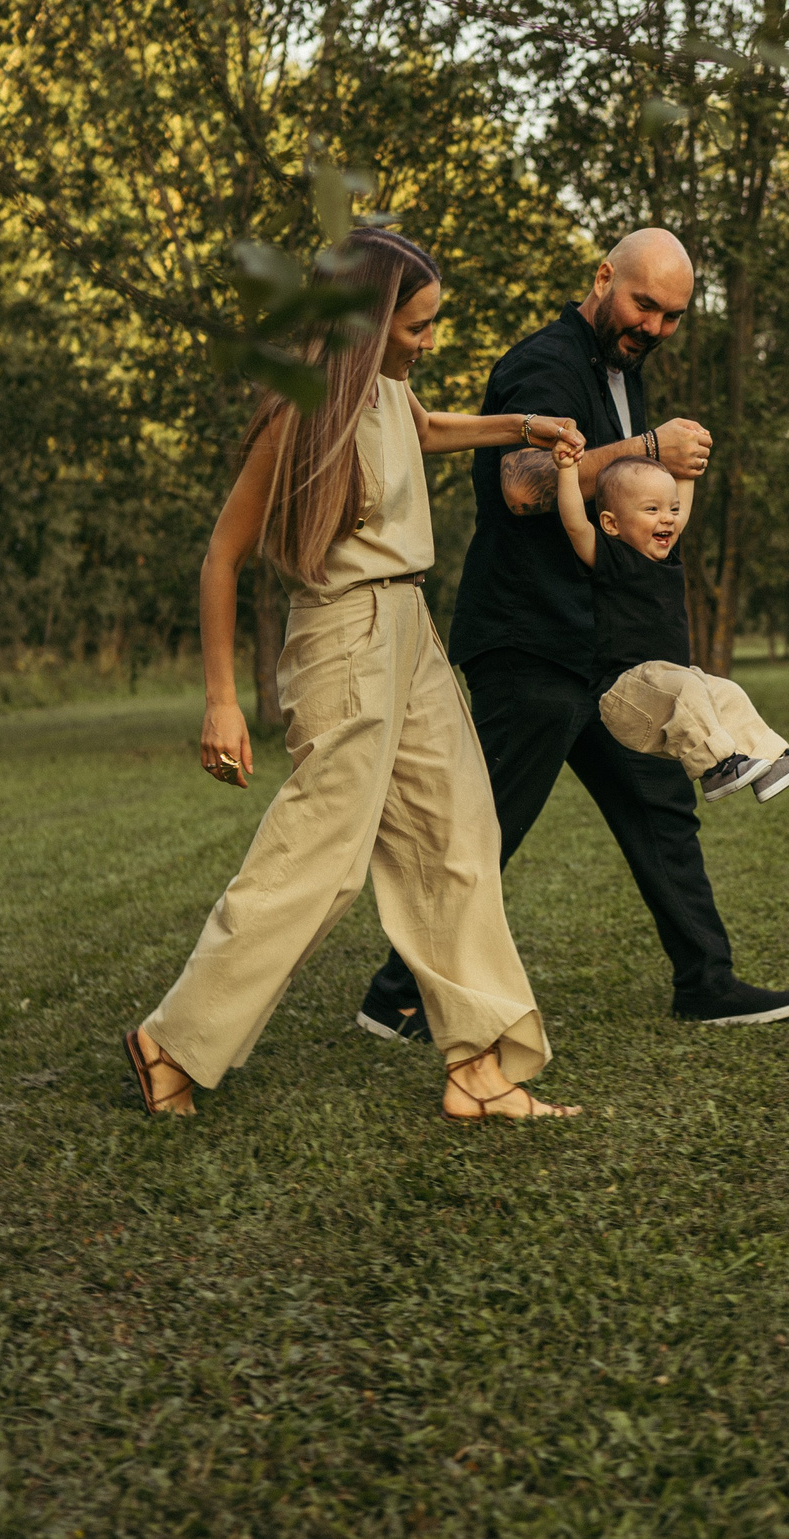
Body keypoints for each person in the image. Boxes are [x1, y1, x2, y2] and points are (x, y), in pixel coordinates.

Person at [122, 227, 586, 1121]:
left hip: (409, 629)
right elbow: (222, 556)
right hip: (344, 635)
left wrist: (528, 426)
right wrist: (221, 702)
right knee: (320, 860)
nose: (429, 340)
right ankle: (170, 1043)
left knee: (457, 833)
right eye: (417, 325)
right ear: (370, 321)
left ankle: (479, 1069)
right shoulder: (299, 413)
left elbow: (432, 429)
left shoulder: (388, 387)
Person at [354, 229, 789, 1040]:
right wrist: (646, 448)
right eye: (644, 305)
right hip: (530, 640)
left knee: (662, 808)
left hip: (612, 650)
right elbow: (523, 486)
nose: (655, 327)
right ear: (604, 277)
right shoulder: (544, 362)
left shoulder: (625, 370)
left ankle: (706, 982)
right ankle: (395, 994)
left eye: (672, 316)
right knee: (490, 823)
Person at [551, 445, 789, 801]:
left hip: (666, 697)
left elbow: (683, 506)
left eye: (672, 509)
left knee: (726, 692)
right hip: (624, 695)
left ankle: (773, 762)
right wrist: (567, 471)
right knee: (686, 684)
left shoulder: (667, 557)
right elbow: (574, 524)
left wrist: (689, 469)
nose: (668, 518)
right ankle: (715, 769)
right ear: (611, 523)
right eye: (652, 509)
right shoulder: (610, 558)